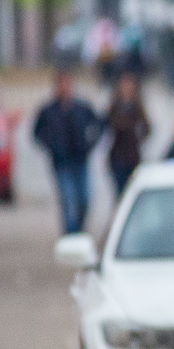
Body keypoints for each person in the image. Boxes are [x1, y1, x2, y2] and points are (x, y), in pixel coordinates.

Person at [31, 69, 103, 233]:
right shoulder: (48, 110)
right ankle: (70, 235)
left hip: (81, 160)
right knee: (68, 199)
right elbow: (37, 133)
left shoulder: (82, 107)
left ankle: (79, 230)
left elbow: (98, 126)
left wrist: (89, 145)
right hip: (61, 163)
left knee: (84, 199)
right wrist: (51, 146)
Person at [104, 71, 151, 197]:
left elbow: (147, 129)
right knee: (120, 193)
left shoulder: (138, 107)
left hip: (133, 157)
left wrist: (139, 136)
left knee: (131, 192)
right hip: (118, 157)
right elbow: (110, 125)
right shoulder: (115, 106)